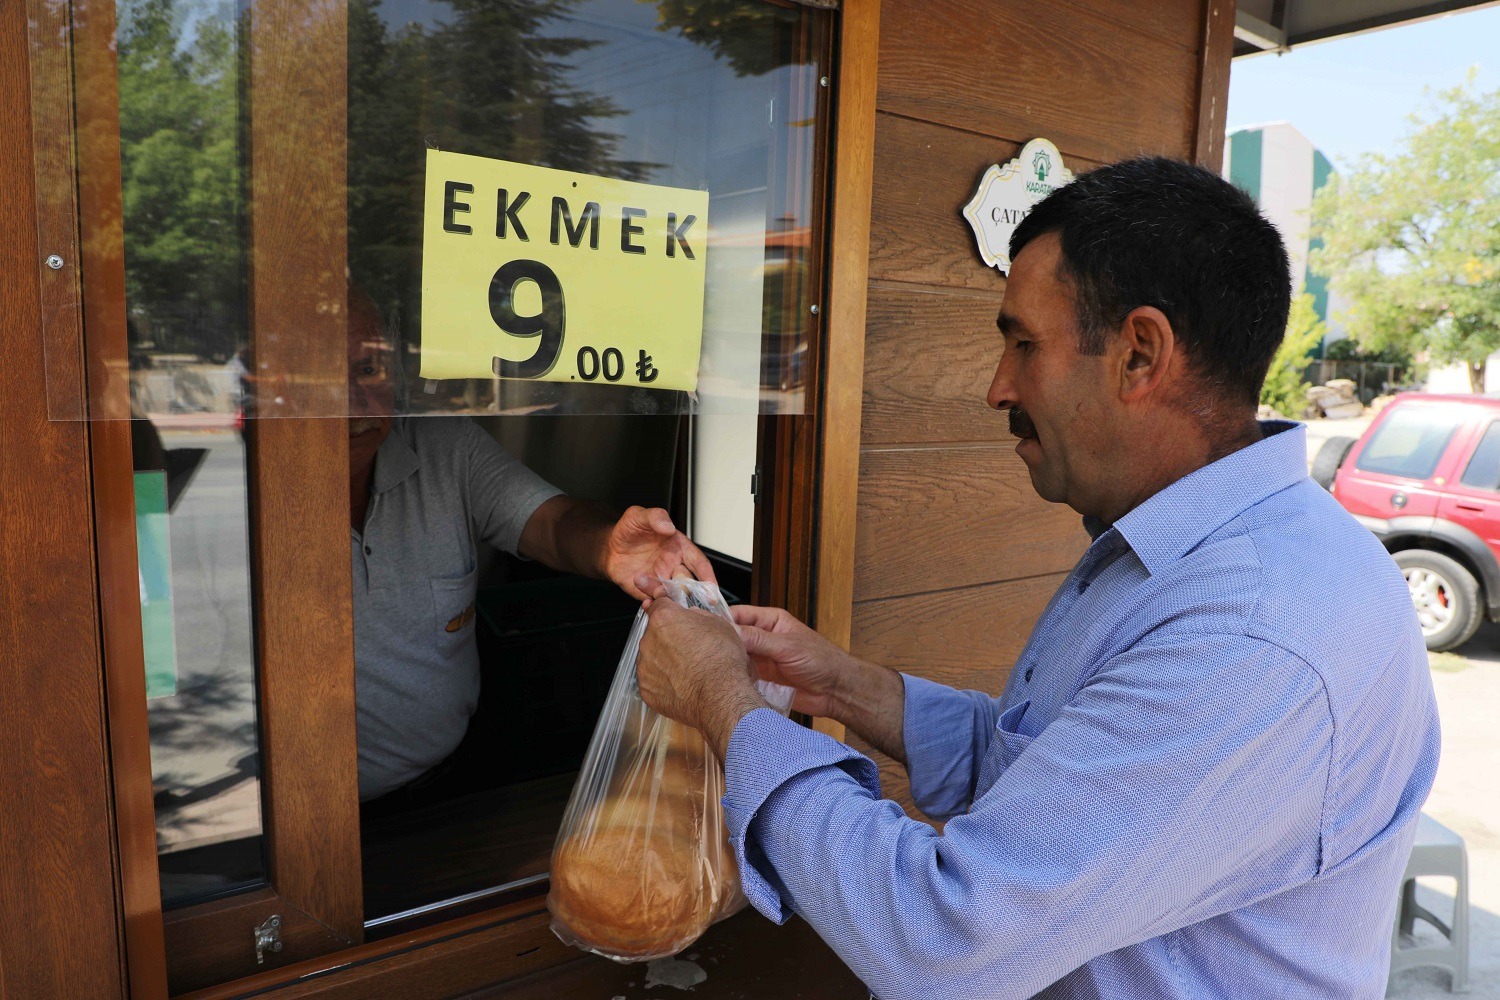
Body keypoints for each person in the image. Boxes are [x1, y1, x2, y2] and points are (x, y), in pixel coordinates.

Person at [633, 158, 1440, 998]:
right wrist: (844, 687)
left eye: (1024, 344)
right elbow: (1050, 777)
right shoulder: (1180, 553)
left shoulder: (1254, 632)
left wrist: (722, 701)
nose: (997, 387)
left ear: (1140, 354)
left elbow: (945, 938)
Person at [346, 291, 714, 803]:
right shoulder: (240, 495)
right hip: (286, 826)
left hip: (445, 790)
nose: (352, 404)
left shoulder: (443, 449)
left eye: (367, 370)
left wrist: (608, 546)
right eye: (323, 380)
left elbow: (552, 522)